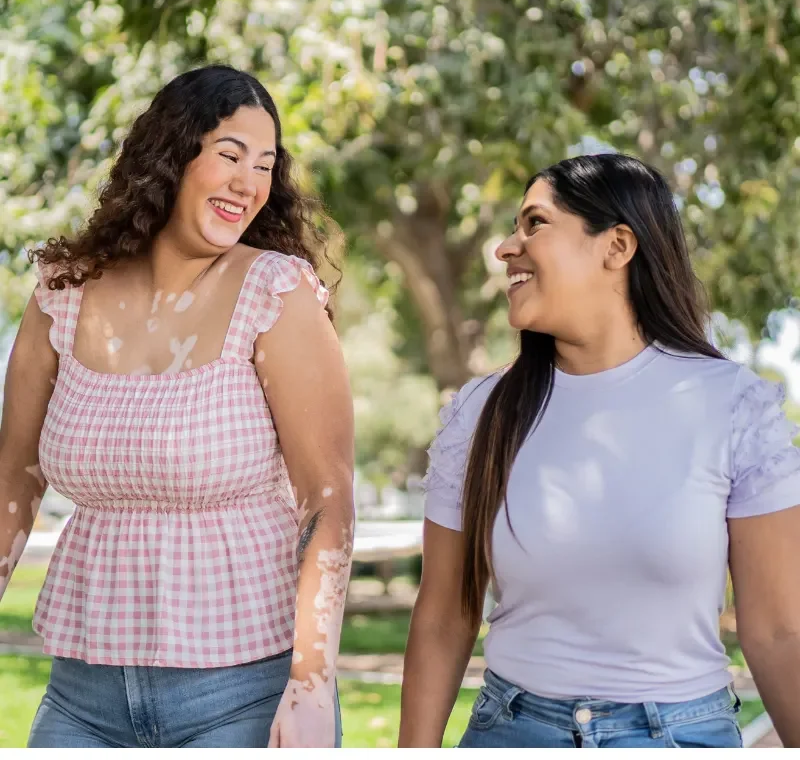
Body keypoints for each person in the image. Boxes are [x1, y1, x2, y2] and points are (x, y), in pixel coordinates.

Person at [0, 65, 354, 748]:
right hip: (82, 692)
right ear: (170, 156)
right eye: (228, 155)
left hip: (244, 692)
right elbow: (14, 475)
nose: (248, 183)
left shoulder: (277, 293)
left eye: (264, 165)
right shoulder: (64, 293)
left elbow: (327, 500)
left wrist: (311, 683)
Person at [399, 153, 800, 748]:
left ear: (616, 247)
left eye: (535, 223)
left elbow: (778, 632)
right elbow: (442, 618)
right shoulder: (478, 414)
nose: (506, 247)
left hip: (680, 736)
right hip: (512, 733)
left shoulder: (732, 407)